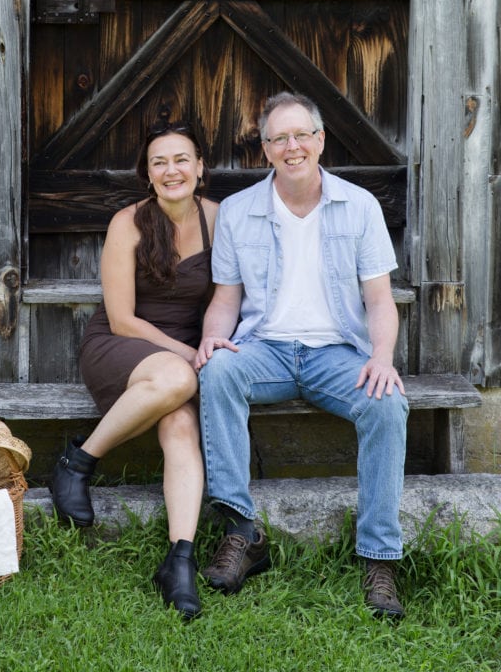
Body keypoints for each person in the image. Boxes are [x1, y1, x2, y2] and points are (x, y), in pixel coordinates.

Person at [195, 91, 409, 618]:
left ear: (319, 140)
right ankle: (242, 531)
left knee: (386, 405)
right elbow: (225, 299)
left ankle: (379, 559)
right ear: (264, 149)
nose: (292, 147)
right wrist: (211, 339)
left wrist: (381, 357)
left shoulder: (358, 206)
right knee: (218, 370)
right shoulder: (239, 212)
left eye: (301, 135)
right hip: (264, 349)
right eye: (278, 138)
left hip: (336, 354)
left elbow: (379, 300)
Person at [49, 120, 218, 620]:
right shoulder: (130, 222)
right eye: (159, 162)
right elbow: (123, 318)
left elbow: (230, 296)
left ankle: (179, 561)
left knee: (182, 424)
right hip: (120, 345)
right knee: (177, 380)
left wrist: (206, 345)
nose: (172, 170)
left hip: (181, 352)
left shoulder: (220, 219)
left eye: (181, 159)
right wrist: (186, 356)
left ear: (200, 166)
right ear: (147, 174)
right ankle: (76, 462)